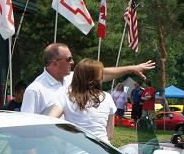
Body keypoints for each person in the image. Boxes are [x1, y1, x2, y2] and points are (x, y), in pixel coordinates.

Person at [21, 43, 155, 115]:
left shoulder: (71, 78)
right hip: (47, 153)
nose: (73, 62)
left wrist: (132, 68)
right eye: (69, 59)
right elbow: (26, 129)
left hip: (69, 150)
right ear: (54, 63)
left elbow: (104, 74)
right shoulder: (35, 90)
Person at [48, 59, 117, 143]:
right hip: (103, 150)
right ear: (98, 77)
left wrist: (60, 145)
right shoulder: (107, 97)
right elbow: (110, 134)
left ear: (77, 75)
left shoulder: (65, 96)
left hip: (74, 151)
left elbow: (49, 122)